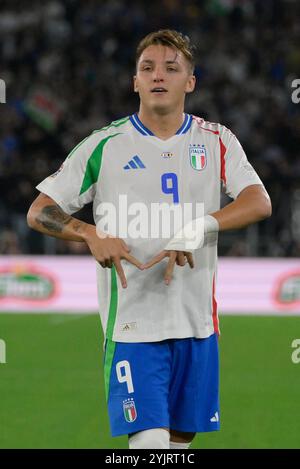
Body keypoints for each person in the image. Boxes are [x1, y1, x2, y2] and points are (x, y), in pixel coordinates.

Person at [27, 29, 272, 449]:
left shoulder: (216, 140)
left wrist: (199, 227)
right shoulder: (103, 145)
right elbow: (39, 211)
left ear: (190, 82)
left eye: (171, 68)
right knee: (150, 446)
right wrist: (89, 233)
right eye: (147, 68)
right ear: (134, 81)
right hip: (133, 328)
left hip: (197, 325)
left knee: (178, 445)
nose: (159, 75)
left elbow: (259, 201)